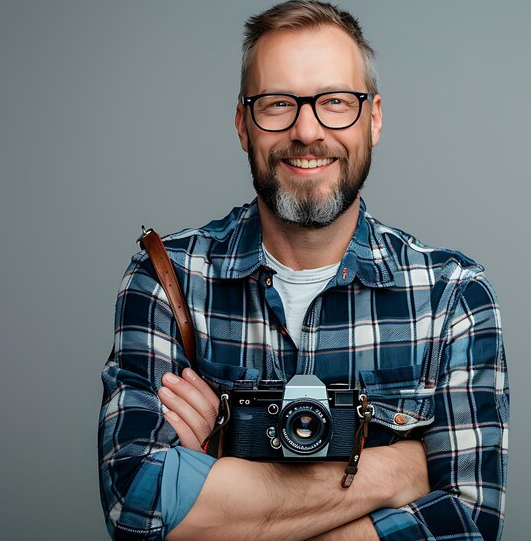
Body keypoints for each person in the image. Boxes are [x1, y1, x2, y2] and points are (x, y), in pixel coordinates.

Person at [97, 2, 509, 540]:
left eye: (336, 102)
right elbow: (136, 505)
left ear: (374, 118)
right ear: (243, 124)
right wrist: (397, 471)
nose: (307, 130)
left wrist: (214, 478)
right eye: (278, 103)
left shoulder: (453, 297)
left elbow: (469, 524)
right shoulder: (166, 280)